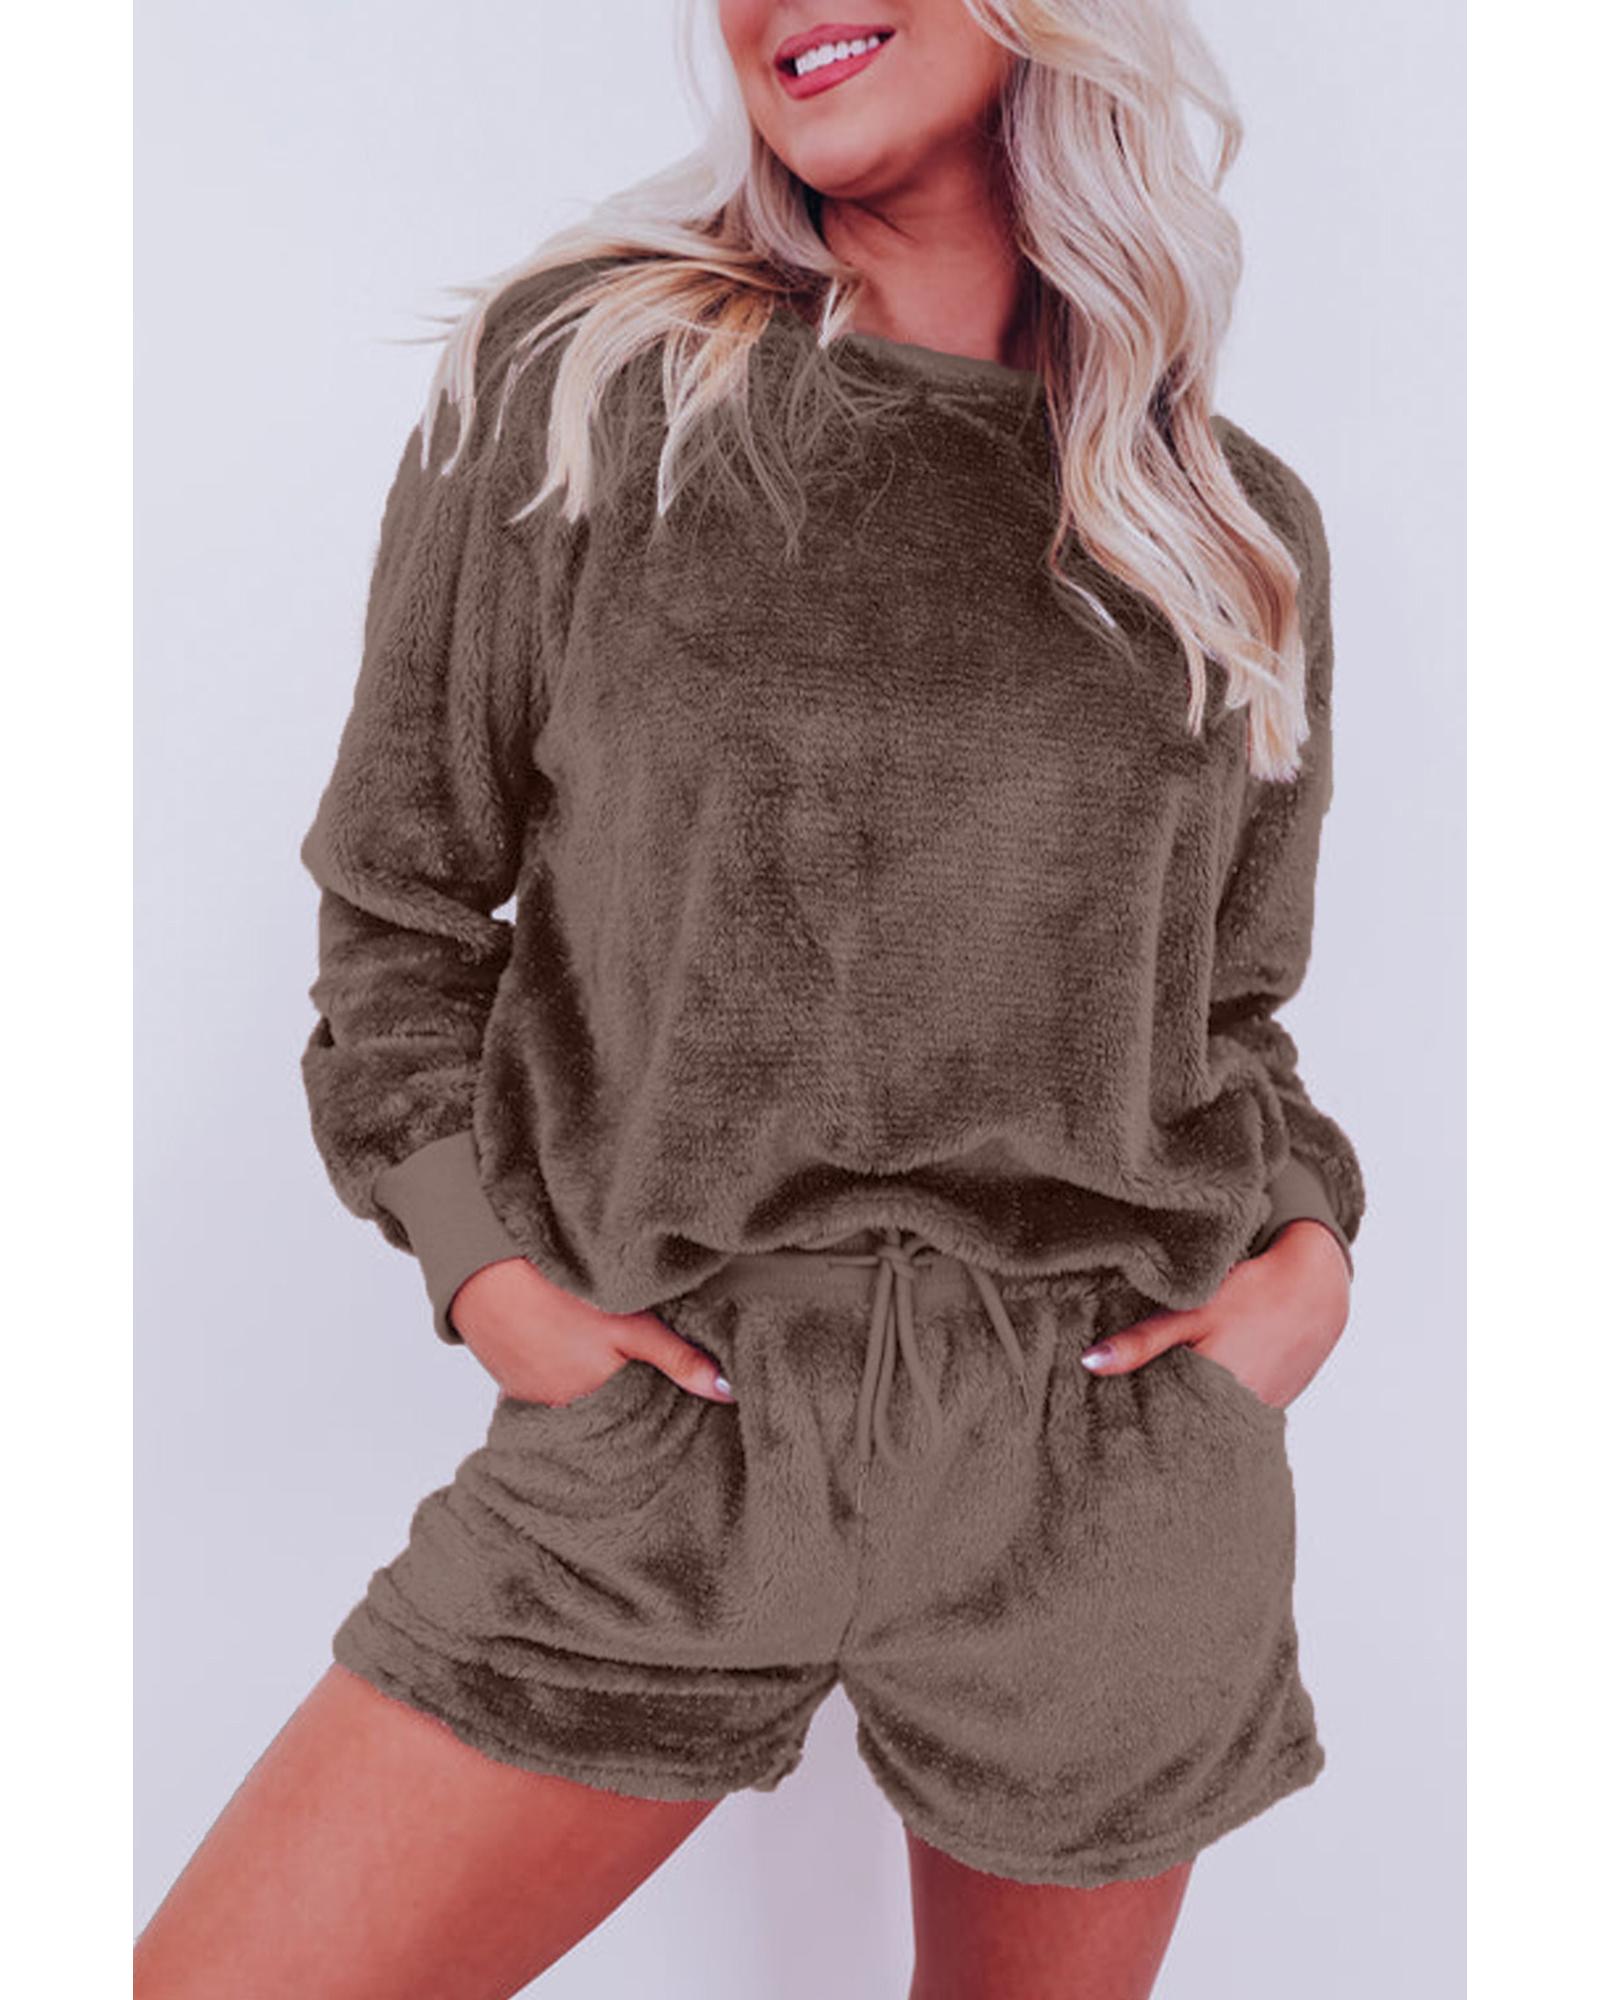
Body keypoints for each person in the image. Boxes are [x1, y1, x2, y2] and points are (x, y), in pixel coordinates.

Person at [135, 3, 1364, 1995]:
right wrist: (483, 1272)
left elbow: (1225, 1012)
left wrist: (1304, 1256)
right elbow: (399, 905)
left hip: (1100, 1465)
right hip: (673, 1440)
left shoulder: (1223, 524)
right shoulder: (587, 383)